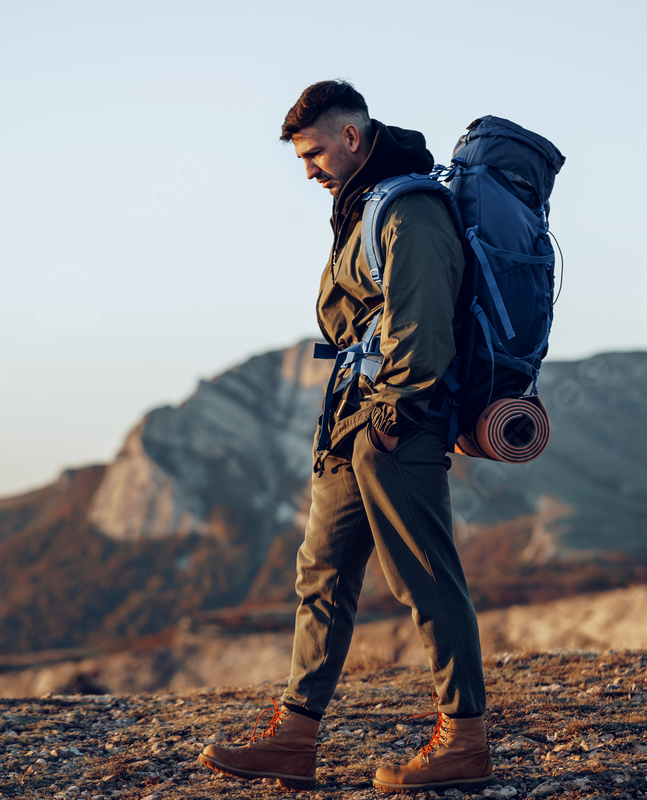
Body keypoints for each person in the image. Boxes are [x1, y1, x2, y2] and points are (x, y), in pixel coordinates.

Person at [198, 80, 493, 793]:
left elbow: (421, 328)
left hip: (398, 420)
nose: (308, 169)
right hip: (351, 420)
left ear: (352, 138)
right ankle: (294, 739)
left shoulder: (410, 206)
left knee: (425, 576)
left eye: (314, 152)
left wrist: (390, 418)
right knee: (321, 575)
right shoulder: (359, 204)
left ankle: (465, 739)